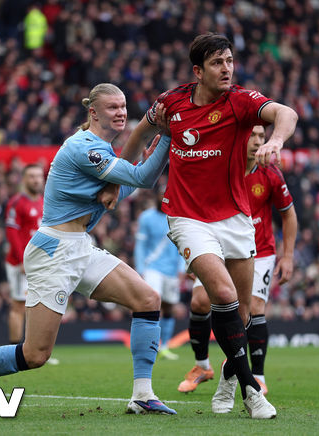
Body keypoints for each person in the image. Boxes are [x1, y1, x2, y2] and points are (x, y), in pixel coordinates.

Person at [0, 83, 177, 415]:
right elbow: (144, 178)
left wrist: (128, 180)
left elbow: (114, 195)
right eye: (113, 107)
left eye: (123, 106)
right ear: (93, 112)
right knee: (35, 354)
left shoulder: (101, 149)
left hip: (80, 246)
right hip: (54, 251)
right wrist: (167, 133)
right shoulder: (85, 148)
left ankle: (142, 395)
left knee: (147, 299)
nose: (121, 113)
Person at [104, 33, 298, 419]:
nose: (226, 69)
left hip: (236, 218)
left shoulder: (241, 101)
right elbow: (141, 133)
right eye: (217, 63)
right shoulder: (171, 103)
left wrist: (275, 141)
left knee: (243, 314)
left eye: (229, 61)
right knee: (221, 295)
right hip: (187, 218)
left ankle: (227, 378)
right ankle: (252, 391)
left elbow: (287, 114)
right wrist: (115, 179)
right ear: (198, 71)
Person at [178, 125, 297, 401]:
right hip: (219, 247)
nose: (257, 141)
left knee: (253, 308)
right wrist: (193, 254)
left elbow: (288, 214)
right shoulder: (217, 165)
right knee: (199, 302)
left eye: (261, 136)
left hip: (260, 251)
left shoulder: (270, 173)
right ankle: (202, 366)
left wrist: (288, 256)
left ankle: (258, 376)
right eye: (252, 135)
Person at [134, 185, 186, 360]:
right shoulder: (146, 217)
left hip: (171, 270)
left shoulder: (177, 218)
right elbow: (140, 245)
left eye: (167, 194)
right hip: (152, 269)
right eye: (161, 194)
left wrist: (181, 268)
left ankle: (164, 346)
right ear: (156, 196)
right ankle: (150, 345)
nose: (163, 197)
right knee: (152, 304)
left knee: (169, 306)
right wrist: (141, 269)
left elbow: (182, 244)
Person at [4, 164, 44, 345]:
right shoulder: (17, 202)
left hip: (38, 263)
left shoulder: (43, 202)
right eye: (32, 176)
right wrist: (22, 260)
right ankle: (14, 350)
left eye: (39, 176)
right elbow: (12, 232)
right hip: (20, 263)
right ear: (24, 179)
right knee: (19, 306)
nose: (36, 180)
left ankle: (32, 350)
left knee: (38, 306)